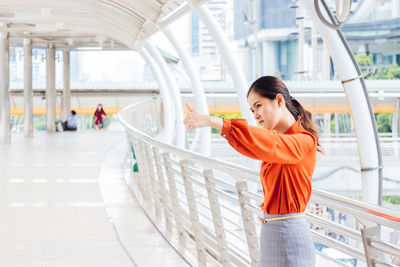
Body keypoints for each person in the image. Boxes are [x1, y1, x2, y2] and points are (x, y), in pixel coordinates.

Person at [183, 76, 322, 267]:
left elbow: (265, 143)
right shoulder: (279, 143)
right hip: (275, 230)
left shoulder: (303, 140)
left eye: (259, 105)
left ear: (279, 100)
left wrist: (210, 121)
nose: (255, 114)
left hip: (288, 233)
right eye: (252, 109)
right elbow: (257, 145)